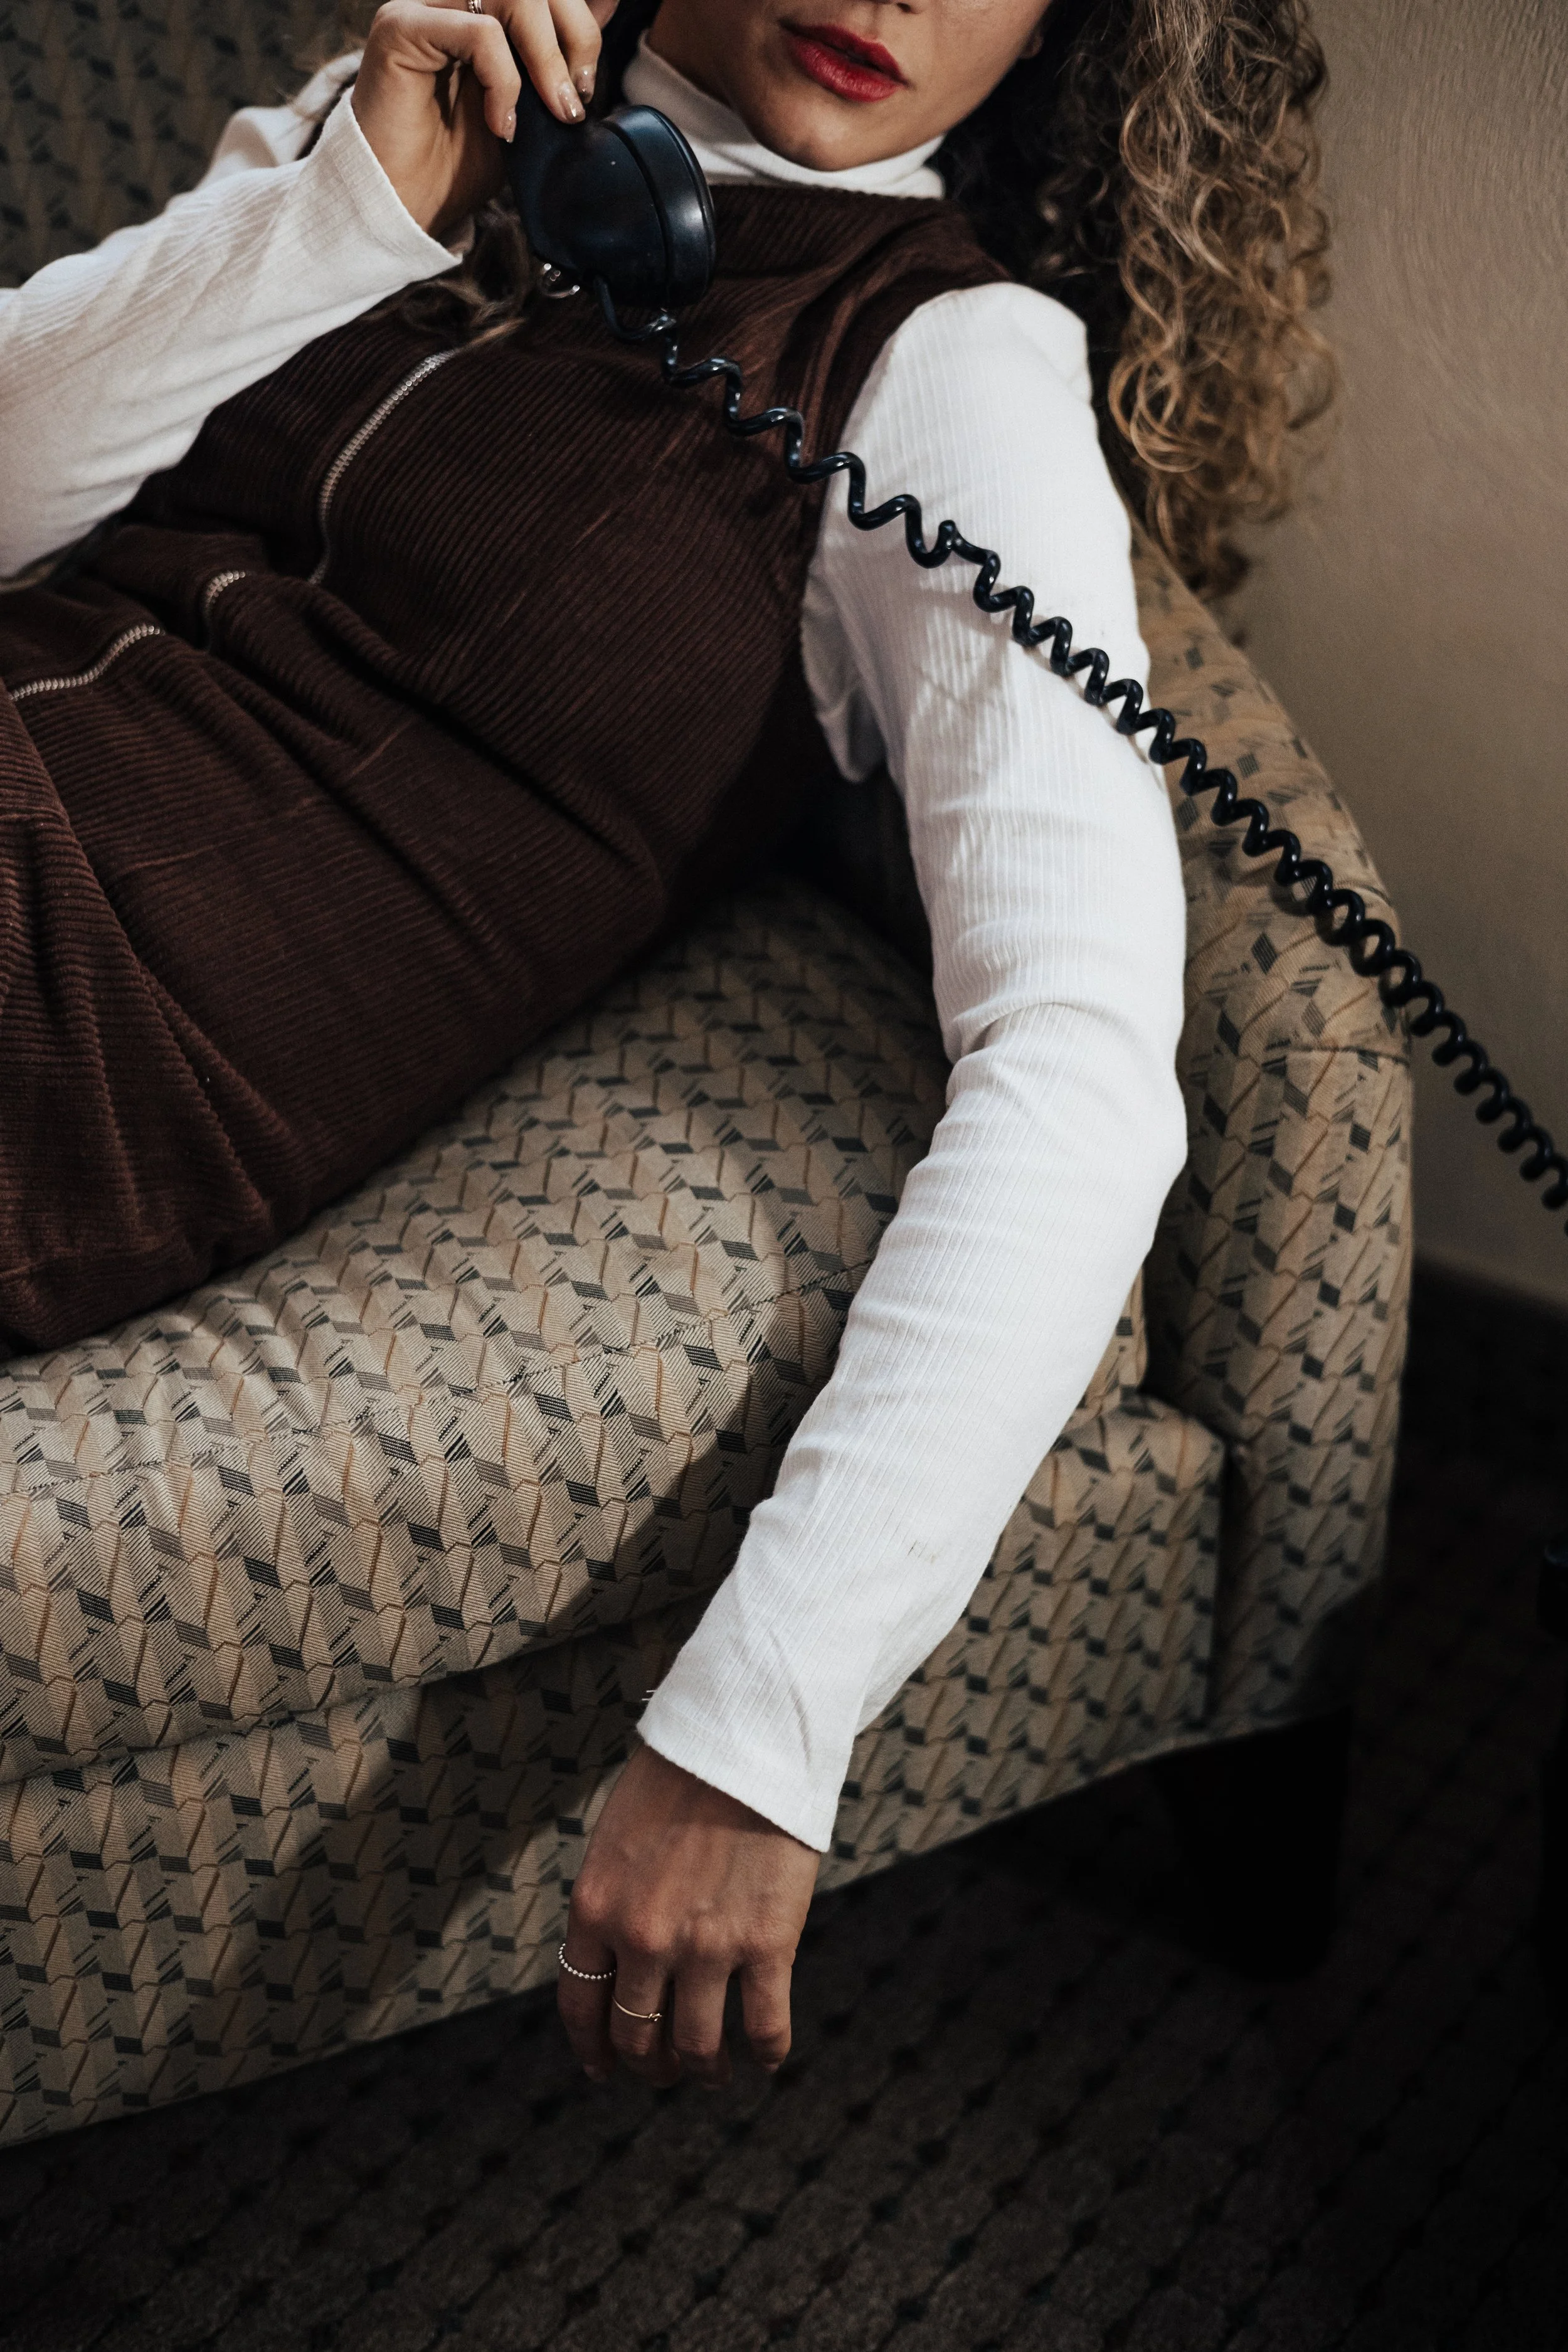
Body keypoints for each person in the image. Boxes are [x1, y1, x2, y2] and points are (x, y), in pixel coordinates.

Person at [0, 0, 1332, 2089]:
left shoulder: (941, 374)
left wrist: (764, 1718)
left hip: (64, 1027)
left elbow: (1080, 1066)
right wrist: (349, 202)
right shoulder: (437, 108)